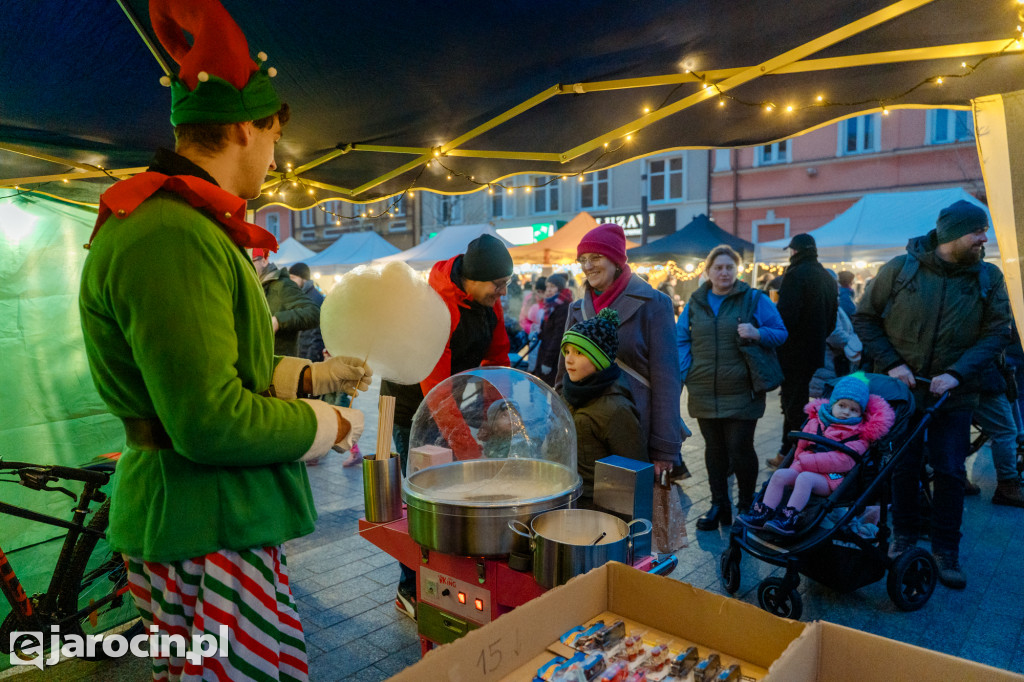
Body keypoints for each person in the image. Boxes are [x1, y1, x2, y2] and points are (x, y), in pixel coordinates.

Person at [77, 1, 369, 678]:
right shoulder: (171, 231)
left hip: (209, 521)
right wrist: (327, 421)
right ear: (244, 128)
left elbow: (224, 368)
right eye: (272, 138)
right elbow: (208, 419)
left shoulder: (183, 224)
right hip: (203, 525)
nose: (274, 155)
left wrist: (312, 378)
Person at [854, 199, 1011, 589]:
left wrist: (956, 374)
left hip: (954, 395)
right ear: (953, 234)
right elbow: (865, 318)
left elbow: (998, 333)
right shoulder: (900, 269)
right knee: (903, 468)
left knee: (950, 471)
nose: (983, 238)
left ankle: (946, 549)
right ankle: (904, 537)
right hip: (903, 392)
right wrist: (893, 364)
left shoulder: (988, 277)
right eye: (977, 231)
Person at [379, 233, 513, 620]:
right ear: (472, 278)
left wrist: (496, 409)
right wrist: (468, 450)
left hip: (456, 396)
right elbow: (434, 393)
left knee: (456, 492)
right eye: (497, 284)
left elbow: (496, 355)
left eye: (506, 284)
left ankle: (449, 577)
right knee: (420, 500)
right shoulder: (436, 305)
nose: (502, 291)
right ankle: (409, 587)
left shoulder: (489, 299)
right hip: (413, 406)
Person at [555, 223, 683, 483]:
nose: (588, 266)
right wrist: (559, 426)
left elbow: (667, 380)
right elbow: (562, 377)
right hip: (586, 427)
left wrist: (663, 448)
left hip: (635, 426)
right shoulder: (577, 309)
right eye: (583, 260)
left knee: (632, 507)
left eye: (596, 257)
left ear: (615, 260)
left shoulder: (655, 304)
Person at [678, 245, 788, 530]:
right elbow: (680, 338)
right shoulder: (695, 301)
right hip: (703, 387)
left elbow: (781, 332)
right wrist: (686, 370)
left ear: (737, 271)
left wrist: (758, 332)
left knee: (740, 447)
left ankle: (745, 506)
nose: (724, 272)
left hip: (743, 388)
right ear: (708, 271)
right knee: (714, 450)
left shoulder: (753, 299)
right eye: (718, 267)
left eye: (729, 267)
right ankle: (719, 506)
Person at [739, 373, 895, 534]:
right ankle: (763, 512)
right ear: (832, 404)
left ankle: (789, 518)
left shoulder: (860, 435)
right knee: (780, 475)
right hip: (804, 469)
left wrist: (806, 461)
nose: (846, 412)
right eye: (842, 405)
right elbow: (800, 448)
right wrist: (795, 467)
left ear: (861, 413)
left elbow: (844, 461)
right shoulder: (815, 422)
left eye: (853, 409)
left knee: (805, 479)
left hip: (833, 478)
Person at [560, 308, 647, 508]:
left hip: (598, 506)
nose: (569, 359)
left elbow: (633, 469)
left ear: (599, 360)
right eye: (567, 351)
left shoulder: (616, 408)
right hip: (567, 496)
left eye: (579, 352)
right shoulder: (565, 394)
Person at [768, 233, 838, 469]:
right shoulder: (827, 277)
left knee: (793, 405)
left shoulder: (795, 274)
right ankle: (788, 451)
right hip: (814, 351)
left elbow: (785, 317)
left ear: (794, 251)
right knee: (797, 402)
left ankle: (794, 454)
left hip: (792, 352)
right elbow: (832, 319)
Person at [252, 249, 320, 357]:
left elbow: (314, 313)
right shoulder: (253, 286)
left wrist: (278, 320)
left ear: (264, 261)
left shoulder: (282, 285)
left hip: (279, 364)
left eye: (250, 262)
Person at [534, 272, 573, 386]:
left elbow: (558, 337)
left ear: (560, 288)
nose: (549, 290)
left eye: (552, 287)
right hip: (546, 352)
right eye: (548, 287)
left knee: (548, 389)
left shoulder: (563, 307)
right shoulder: (550, 305)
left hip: (553, 359)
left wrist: (547, 362)